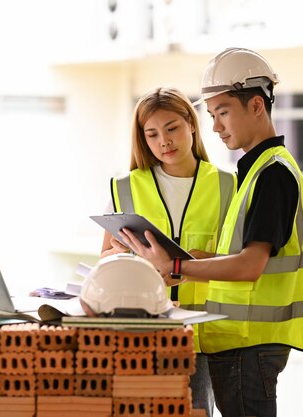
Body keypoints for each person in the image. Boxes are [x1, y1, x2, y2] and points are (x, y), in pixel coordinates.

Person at [119, 48, 303, 417]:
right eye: (211, 115)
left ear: (256, 105)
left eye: (223, 112)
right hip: (238, 340)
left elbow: (249, 266)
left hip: (250, 341)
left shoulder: (272, 175)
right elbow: (235, 255)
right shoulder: (256, 172)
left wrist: (176, 266)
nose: (215, 126)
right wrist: (176, 259)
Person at [100, 87, 235, 416]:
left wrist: (186, 264)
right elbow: (104, 261)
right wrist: (126, 258)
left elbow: (239, 260)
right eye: (152, 134)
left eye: (172, 128)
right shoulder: (126, 187)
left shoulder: (227, 185)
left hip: (204, 336)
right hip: (141, 332)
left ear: (191, 124)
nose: (164, 141)